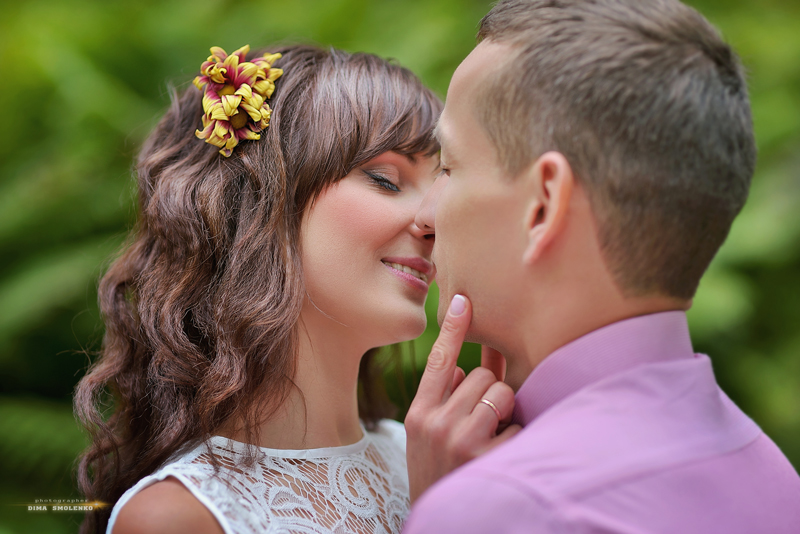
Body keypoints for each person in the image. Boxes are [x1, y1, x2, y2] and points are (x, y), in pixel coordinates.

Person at [403, 0, 800, 532]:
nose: (425, 216)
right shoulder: (775, 474)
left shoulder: (508, 506)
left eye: (449, 167)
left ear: (544, 205)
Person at [73, 43, 442, 534]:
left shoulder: (430, 458)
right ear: (260, 204)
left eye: (443, 186)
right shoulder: (180, 517)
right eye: (385, 178)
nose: (435, 218)